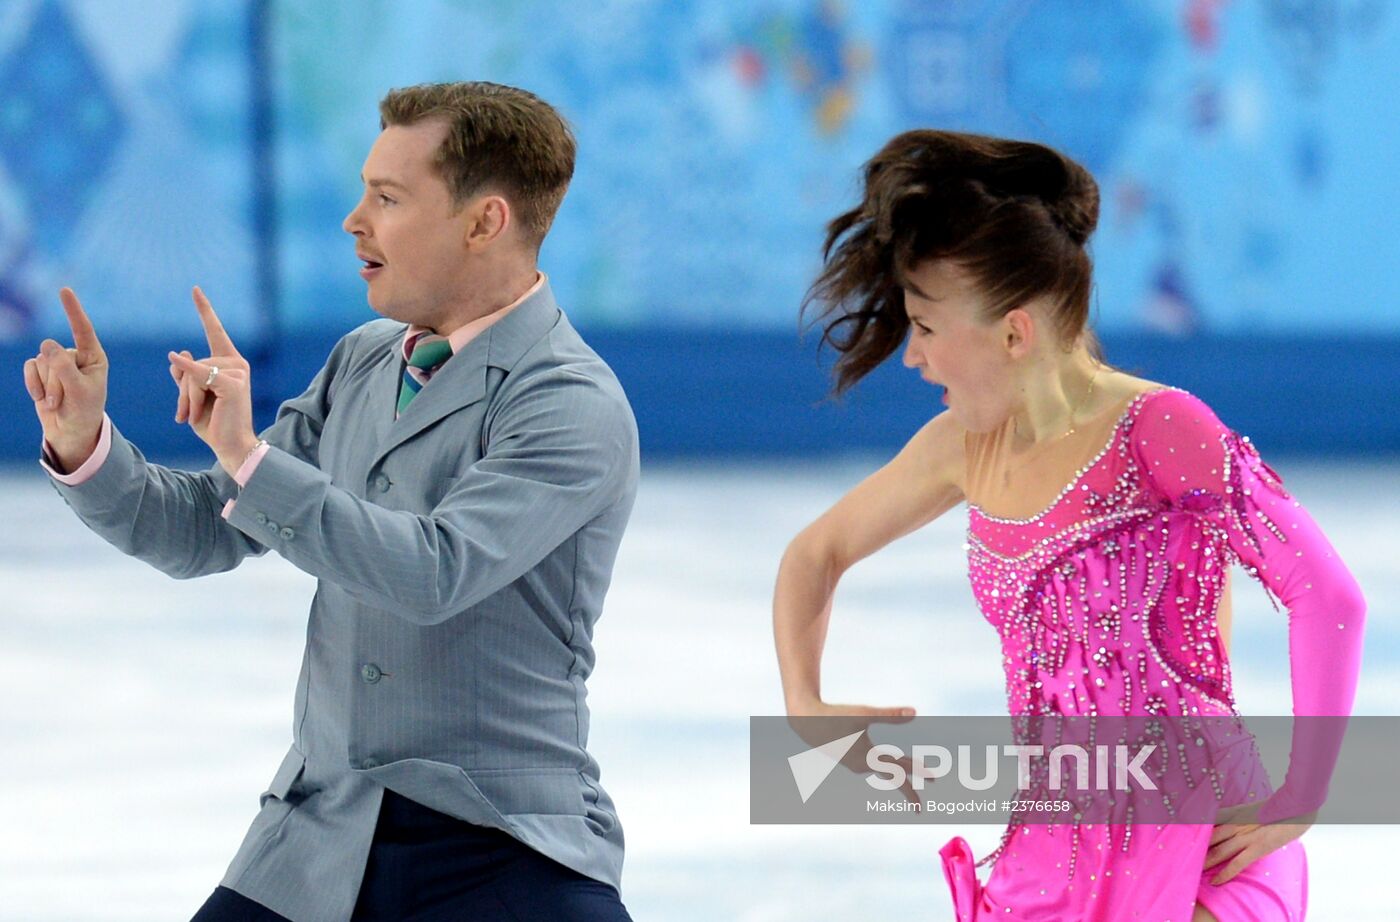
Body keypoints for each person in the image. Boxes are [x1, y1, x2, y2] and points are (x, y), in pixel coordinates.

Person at [24, 81, 639, 922]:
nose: (355, 220)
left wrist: (247, 455)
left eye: (388, 198)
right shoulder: (364, 361)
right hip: (319, 835)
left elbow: (433, 572)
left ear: (484, 221)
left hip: (501, 844)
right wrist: (84, 443)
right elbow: (208, 528)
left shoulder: (568, 401)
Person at [772, 129, 1367, 920]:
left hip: (1198, 850)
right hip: (1050, 860)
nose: (913, 357)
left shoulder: (1161, 428)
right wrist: (803, 704)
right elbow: (818, 552)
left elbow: (1328, 597)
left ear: (1014, 333)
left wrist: (1307, 789)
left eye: (926, 326)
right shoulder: (962, 447)